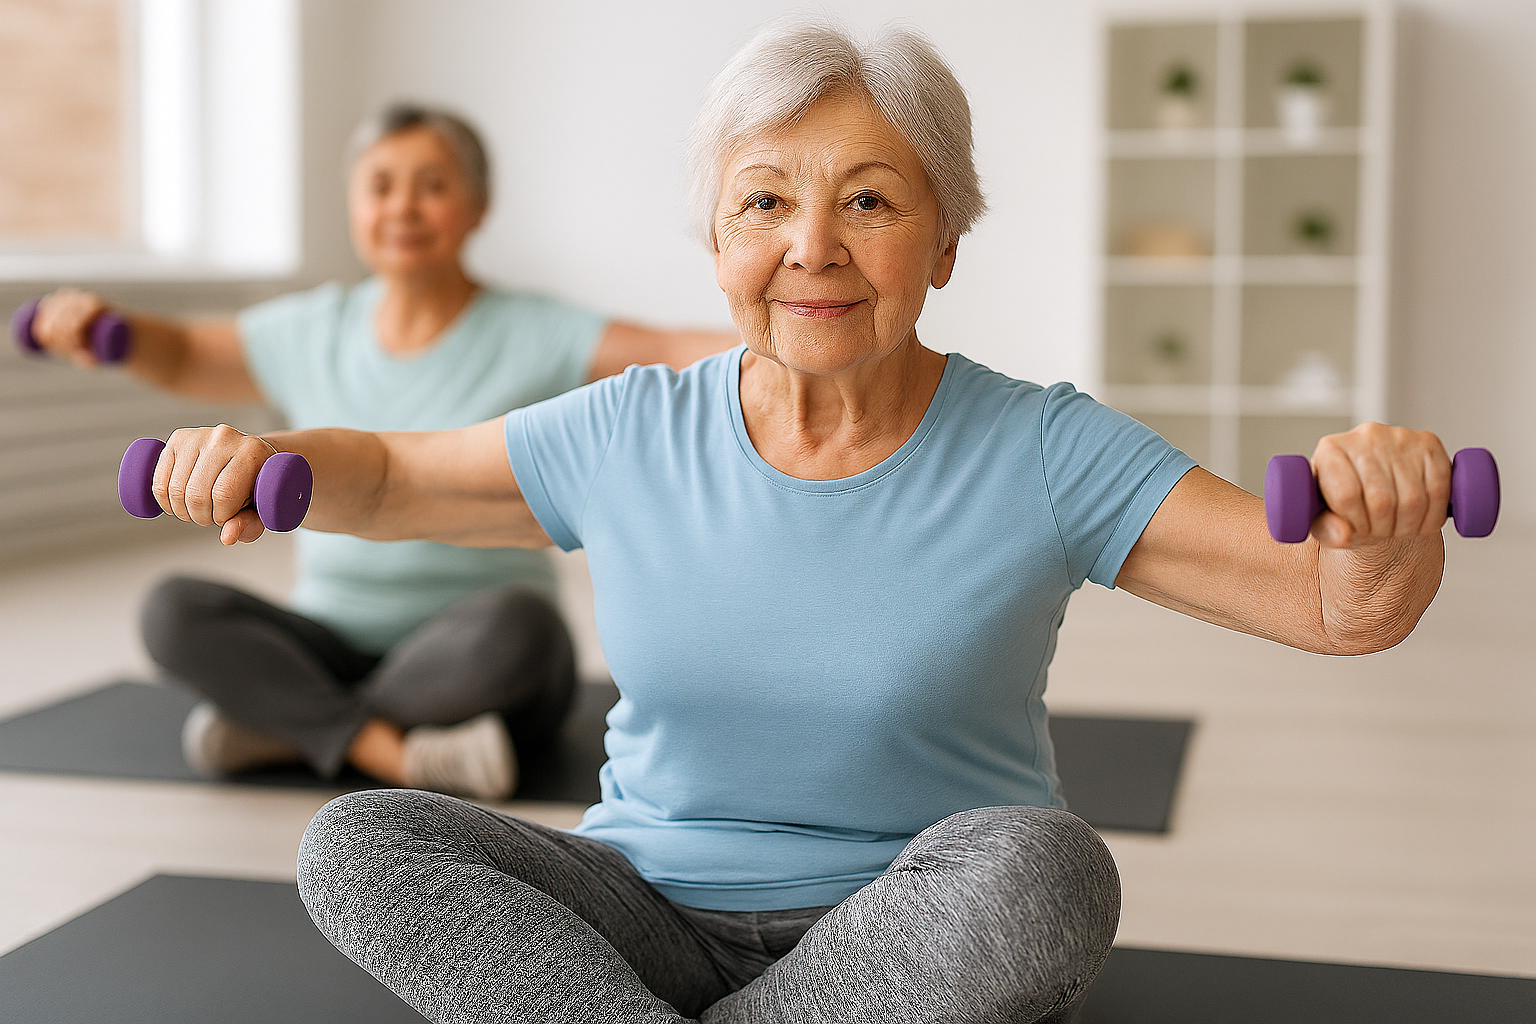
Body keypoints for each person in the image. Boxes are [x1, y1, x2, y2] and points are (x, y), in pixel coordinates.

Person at [143, 21, 1452, 1024]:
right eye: (766, 200)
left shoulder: (1043, 447)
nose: (812, 245)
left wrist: (1382, 523)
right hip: (643, 907)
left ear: (944, 240)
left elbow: (1334, 604)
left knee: (1050, 868)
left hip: (917, 921)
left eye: (870, 200)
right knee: (363, 840)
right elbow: (385, 473)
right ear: (717, 238)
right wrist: (265, 456)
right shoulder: (632, 428)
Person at [25, 103, 734, 801]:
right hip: (327, 637)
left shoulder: (536, 330)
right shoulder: (313, 328)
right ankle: (393, 753)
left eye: (433, 186)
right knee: (171, 610)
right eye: (381, 186)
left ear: (477, 206)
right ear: (355, 205)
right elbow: (181, 352)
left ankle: (290, 725)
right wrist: (102, 326)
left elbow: (670, 353)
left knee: (530, 631)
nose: (404, 208)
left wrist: (799, 342)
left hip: (467, 647)